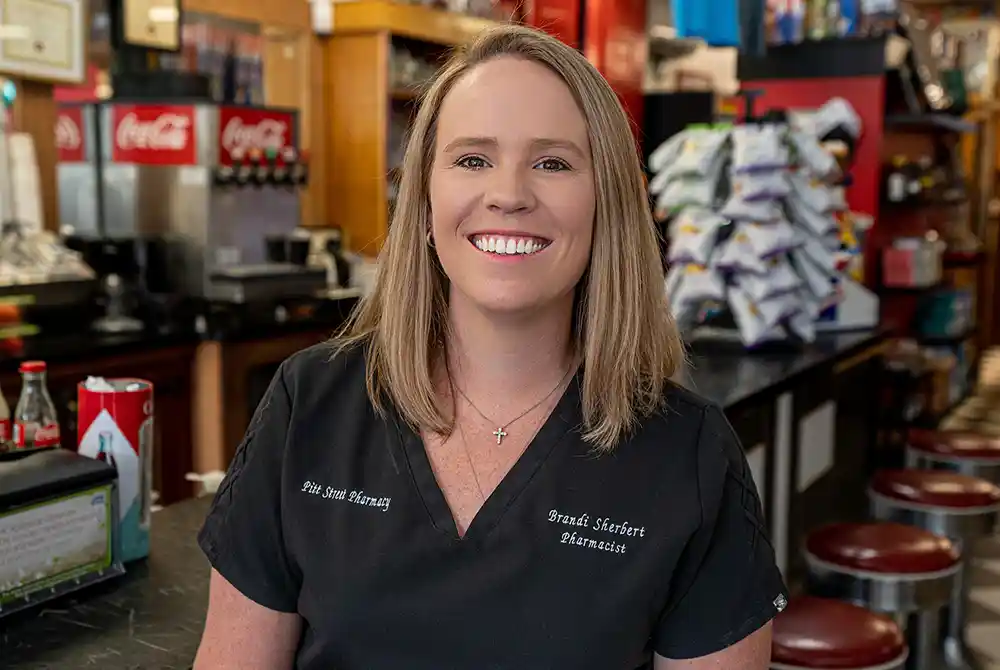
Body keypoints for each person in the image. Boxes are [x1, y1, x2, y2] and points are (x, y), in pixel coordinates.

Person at [194, 24, 786, 670]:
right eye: (472, 159)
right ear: (423, 200)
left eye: (552, 163)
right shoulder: (308, 406)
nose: (508, 194)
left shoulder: (687, 455)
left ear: (607, 205)